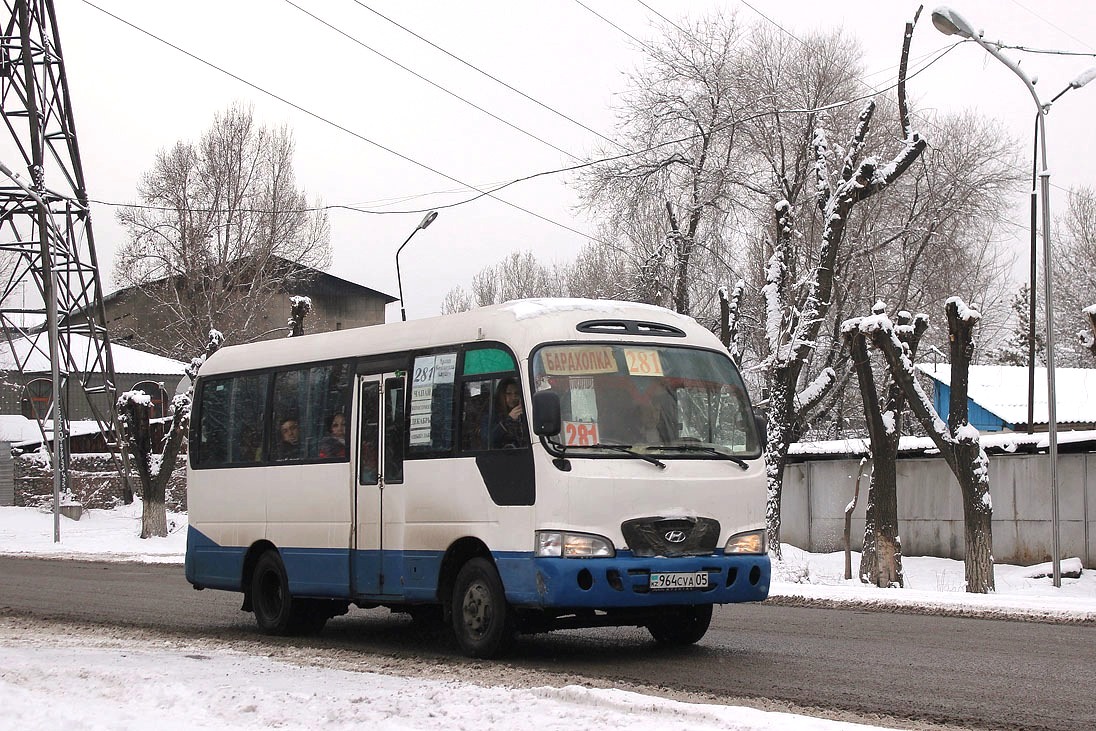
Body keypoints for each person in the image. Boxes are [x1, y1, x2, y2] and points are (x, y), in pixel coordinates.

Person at [490, 377, 528, 448]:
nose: (513, 397)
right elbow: (488, 440)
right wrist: (509, 420)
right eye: (509, 393)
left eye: (516, 393)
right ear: (501, 395)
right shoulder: (492, 413)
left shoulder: (526, 411)